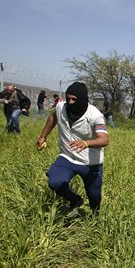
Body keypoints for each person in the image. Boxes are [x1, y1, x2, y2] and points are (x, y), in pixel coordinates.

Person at [36, 82, 110, 217]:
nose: (70, 102)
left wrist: (86, 143)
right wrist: (43, 137)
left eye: (74, 99)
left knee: (94, 195)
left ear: (82, 99)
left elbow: (104, 139)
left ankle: (95, 218)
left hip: (90, 163)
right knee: (55, 182)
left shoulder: (95, 116)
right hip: (67, 157)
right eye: (68, 98)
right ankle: (75, 200)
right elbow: (53, 117)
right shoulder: (60, 107)